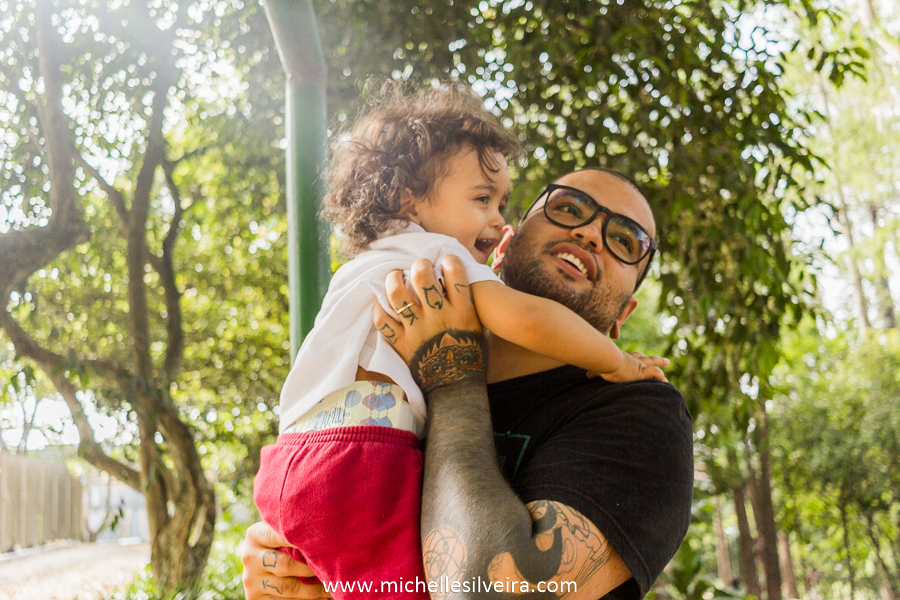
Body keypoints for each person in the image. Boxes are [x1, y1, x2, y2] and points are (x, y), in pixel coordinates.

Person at [252, 84, 670, 599]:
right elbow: (530, 320)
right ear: (502, 248)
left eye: (626, 241)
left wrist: (450, 373)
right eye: (568, 208)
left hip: (292, 458)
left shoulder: (640, 413)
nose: (590, 234)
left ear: (624, 314)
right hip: (353, 459)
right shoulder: (437, 257)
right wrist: (619, 360)